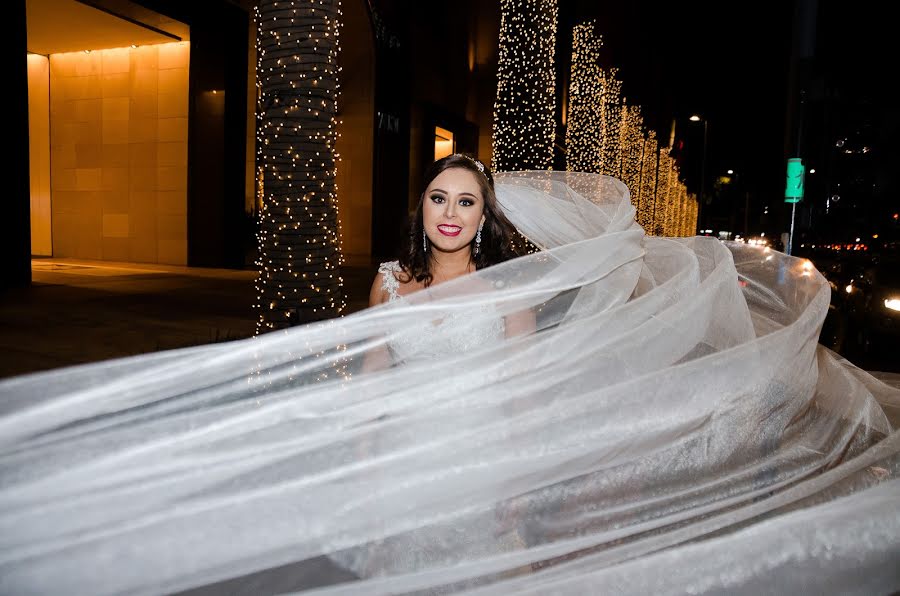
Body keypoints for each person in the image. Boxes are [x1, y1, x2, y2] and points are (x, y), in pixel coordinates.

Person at [365, 154, 534, 367]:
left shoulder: (508, 287)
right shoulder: (388, 282)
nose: (450, 213)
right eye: (438, 199)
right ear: (422, 205)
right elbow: (371, 377)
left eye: (465, 202)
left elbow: (522, 386)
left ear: (482, 216)